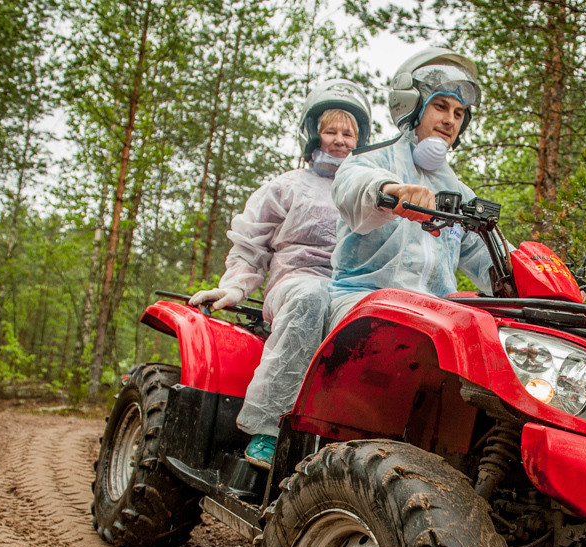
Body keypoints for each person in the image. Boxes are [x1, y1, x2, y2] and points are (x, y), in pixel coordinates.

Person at [189, 79, 370, 468]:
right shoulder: (288, 186)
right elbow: (252, 241)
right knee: (312, 297)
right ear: (313, 134)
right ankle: (267, 429)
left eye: (348, 133)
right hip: (296, 281)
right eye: (331, 130)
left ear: (361, 140)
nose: (340, 140)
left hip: (353, 286)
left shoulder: (371, 196)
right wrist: (235, 287)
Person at [327, 47, 494, 330]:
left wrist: (542, 277)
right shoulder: (368, 161)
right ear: (413, 106)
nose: (450, 120)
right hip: (364, 303)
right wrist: (391, 191)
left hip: (436, 316)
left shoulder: (459, 194)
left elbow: (490, 257)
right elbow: (354, 187)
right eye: (440, 106)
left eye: (458, 113)